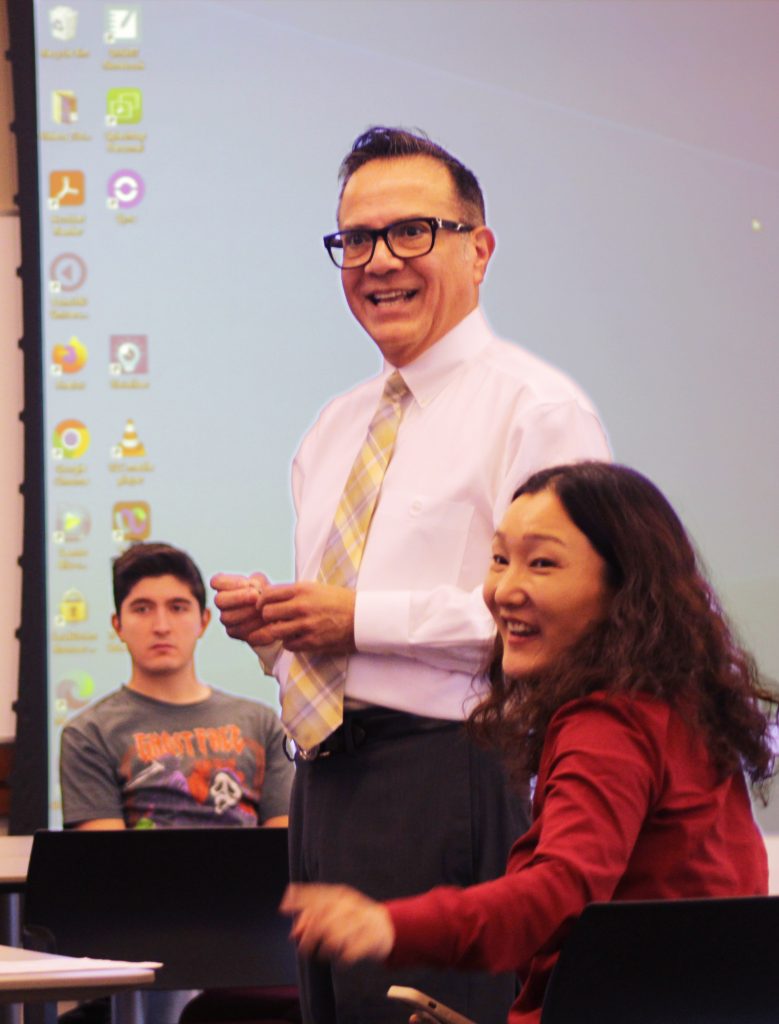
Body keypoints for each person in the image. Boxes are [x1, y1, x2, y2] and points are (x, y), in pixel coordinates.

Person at [211, 127, 611, 1024]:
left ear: (479, 248)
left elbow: (563, 613)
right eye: (355, 240)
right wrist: (278, 633)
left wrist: (355, 618)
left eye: (410, 233)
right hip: (322, 780)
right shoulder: (332, 426)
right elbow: (340, 628)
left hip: (457, 772)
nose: (378, 261)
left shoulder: (535, 408)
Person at [280, 461, 776, 1024]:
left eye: (542, 563)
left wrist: (389, 925)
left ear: (624, 588)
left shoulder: (610, 724)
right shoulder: (675, 704)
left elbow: (559, 890)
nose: (504, 590)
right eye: (498, 560)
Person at [61, 542, 293, 830]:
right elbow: (106, 864)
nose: (161, 625)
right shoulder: (88, 734)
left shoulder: (261, 723)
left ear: (203, 621)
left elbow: (282, 850)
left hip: (253, 876)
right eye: (142, 608)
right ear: (118, 625)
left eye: (178, 607)